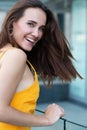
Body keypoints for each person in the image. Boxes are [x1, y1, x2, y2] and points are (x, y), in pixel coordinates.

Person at [0, 0, 82, 130]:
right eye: (30, 24)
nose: (36, 34)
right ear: (12, 23)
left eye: (41, 29)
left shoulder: (4, 53)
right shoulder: (16, 56)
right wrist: (46, 119)